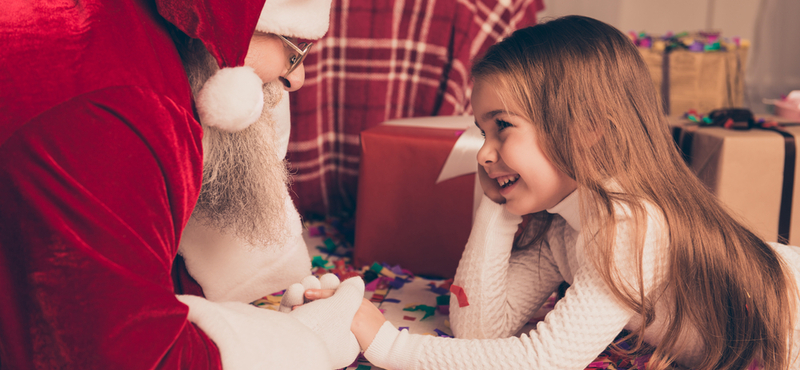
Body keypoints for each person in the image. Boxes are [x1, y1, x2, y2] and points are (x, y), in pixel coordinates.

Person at [335, 16, 800, 370]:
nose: (482, 153)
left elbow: (544, 360)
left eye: (503, 127)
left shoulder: (631, 225)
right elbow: (479, 327)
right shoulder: (563, 231)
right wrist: (496, 210)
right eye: (482, 131)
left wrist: (391, 346)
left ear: (588, 128)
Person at [0, 0, 362, 368]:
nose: (296, 79)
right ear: (238, 21)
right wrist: (304, 346)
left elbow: (121, 267)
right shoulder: (127, 112)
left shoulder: (137, 43)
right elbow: (135, 357)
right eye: (295, 50)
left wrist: (257, 324)